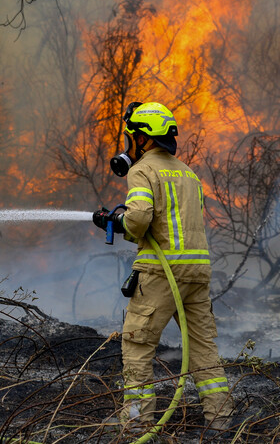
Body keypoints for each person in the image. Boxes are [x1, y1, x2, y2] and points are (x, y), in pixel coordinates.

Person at [93, 101, 233, 434]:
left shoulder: (142, 170)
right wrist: (121, 224)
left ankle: (138, 423)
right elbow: (169, 227)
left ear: (142, 138)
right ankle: (221, 418)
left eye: (132, 137)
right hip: (197, 273)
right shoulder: (188, 173)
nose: (129, 145)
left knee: (138, 344)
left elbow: (140, 220)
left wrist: (116, 221)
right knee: (202, 347)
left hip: (161, 274)